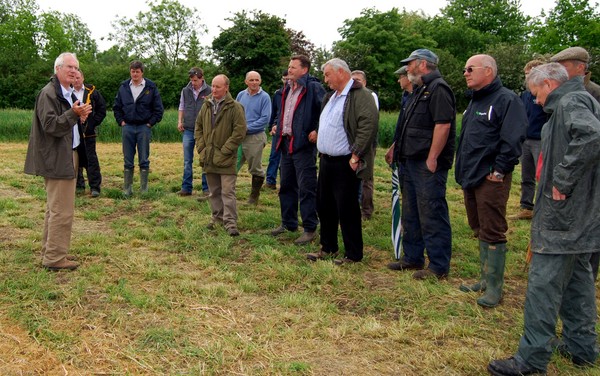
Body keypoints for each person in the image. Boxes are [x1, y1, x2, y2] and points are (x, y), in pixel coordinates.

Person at [487, 62, 600, 376]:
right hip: (579, 219)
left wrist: (562, 181)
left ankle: (531, 359)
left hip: (562, 219)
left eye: (536, 93)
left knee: (543, 286)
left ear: (549, 84)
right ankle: (582, 348)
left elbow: (592, 137)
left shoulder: (569, 102)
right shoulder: (581, 98)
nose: (535, 101)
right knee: (577, 283)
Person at [455, 54, 527, 307]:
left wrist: (499, 171)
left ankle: (495, 287)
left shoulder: (506, 100)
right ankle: (485, 278)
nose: (465, 73)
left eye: (470, 68)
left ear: (488, 71)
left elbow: (513, 139)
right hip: (471, 175)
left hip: (490, 178)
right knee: (479, 226)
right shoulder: (475, 101)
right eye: (465, 69)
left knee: (493, 229)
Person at [384, 49, 456, 281]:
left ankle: (438, 266)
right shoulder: (419, 90)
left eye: (410, 64)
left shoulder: (439, 89)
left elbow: (442, 126)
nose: (407, 68)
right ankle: (412, 257)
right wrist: (396, 146)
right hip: (410, 161)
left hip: (427, 164)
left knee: (431, 212)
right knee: (412, 212)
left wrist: (433, 157)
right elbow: (409, 124)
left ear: (423, 64)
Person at [305, 58, 378, 264]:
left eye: (328, 74)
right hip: (327, 161)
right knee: (325, 206)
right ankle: (328, 248)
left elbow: (368, 126)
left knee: (346, 209)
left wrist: (356, 155)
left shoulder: (360, 95)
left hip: (346, 161)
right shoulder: (331, 97)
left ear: (340, 73)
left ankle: (353, 254)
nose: (325, 79)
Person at [24, 52, 92, 271]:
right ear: (57, 69)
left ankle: (50, 251)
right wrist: (73, 114)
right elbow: (51, 126)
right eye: (69, 67)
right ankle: (55, 258)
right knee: (62, 210)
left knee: (55, 208)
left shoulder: (67, 93)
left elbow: (65, 123)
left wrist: (78, 117)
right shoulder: (49, 93)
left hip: (67, 153)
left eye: (76, 68)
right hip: (56, 157)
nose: (73, 71)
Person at [549, 46, 600, 280]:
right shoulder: (562, 93)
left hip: (586, 169)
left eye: (564, 67)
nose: (558, 72)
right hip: (574, 165)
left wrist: (564, 176)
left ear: (580, 68)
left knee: (587, 225)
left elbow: (591, 135)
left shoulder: (586, 94)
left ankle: (584, 276)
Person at [271, 55, 325, 245]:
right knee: (286, 186)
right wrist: (277, 124)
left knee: (306, 188)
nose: (289, 70)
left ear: (304, 69)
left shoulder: (313, 87)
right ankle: (289, 223)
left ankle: (310, 228)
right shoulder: (287, 88)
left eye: (293, 67)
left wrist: (318, 130)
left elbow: (325, 110)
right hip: (286, 143)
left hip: (303, 145)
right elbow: (283, 111)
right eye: (289, 67)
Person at [195, 74, 247, 236]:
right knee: (214, 191)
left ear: (226, 88)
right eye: (213, 86)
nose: (214, 89)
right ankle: (216, 218)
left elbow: (240, 131)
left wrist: (225, 150)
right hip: (209, 156)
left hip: (226, 158)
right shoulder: (206, 105)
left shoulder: (235, 107)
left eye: (218, 86)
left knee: (227, 191)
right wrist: (202, 148)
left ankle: (230, 223)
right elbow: (198, 127)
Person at [113, 60, 164, 196]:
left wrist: (150, 123)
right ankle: (127, 189)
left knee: (144, 159)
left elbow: (158, 109)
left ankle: (144, 189)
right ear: (130, 72)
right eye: (132, 71)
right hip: (127, 127)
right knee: (128, 159)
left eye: (137, 71)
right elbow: (116, 107)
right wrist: (121, 122)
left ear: (142, 72)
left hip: (144, 128)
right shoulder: (123, 87)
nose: (135, 74)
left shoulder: (151, 87)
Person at [509, 60, 547, 220]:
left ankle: (543, 209)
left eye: (531, 74)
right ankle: (526, 207)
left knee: (543, 176)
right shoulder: (525, 95)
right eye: (526, 74)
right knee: (527, 175)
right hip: (526, 140)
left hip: (541, 140)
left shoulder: (546, 94)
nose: (528, 78)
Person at [235, 71, 271, 204]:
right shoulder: (241, 95)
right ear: (246, 82)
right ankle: (225, 193)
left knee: (255, 167)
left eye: (257, 80)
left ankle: (254, 197)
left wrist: (246, 128)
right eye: (251, 80)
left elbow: (265, 119)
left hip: (255, 137)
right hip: (239, 136)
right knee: (232, 164)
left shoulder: (265, 97)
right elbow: (236, 113)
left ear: (260, 81)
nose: (254, 82)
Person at [176, 67, 211, 197]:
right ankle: (186, 188)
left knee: (205, 158)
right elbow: (181, 106)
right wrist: (180, 121)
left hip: (204, 130)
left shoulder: (210, 91)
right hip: (188, 129)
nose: (193, 83)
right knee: (187, 160)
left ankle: (206, 188)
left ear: (202, 78)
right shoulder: (185, 91)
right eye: (191, 80)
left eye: (196, 80)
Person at [73, 69, 107, 198]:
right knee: (75, 159)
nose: (76, 80)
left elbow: (102, 109)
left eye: (78, 78)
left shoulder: (92, 93)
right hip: (74, 132)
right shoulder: (68, 92)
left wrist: (93, 123)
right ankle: (78, 185)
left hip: (89, 132)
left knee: (91, 159)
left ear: (83, 78)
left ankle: (95, 187)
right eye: (74, 78)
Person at [351, 69, 379, 220]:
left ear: (365, 82)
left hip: (367, 143)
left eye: (358, 80)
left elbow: (369, 122)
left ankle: (366, 211)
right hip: (352, 142)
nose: (355, 82)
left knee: (366, 176)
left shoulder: (370, 96)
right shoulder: (349, 96)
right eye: (352, 79)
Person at [265, 69, 289, 190]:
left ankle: (285, 182)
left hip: (289, 130)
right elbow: (274, 112)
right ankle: (270, 180)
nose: (286, 81)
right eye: (284, 79)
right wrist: (271, 125)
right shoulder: (278, 94)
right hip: (277, 128)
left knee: (286, 159)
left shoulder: (295, 93)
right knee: (274, 156)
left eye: (288, 79)